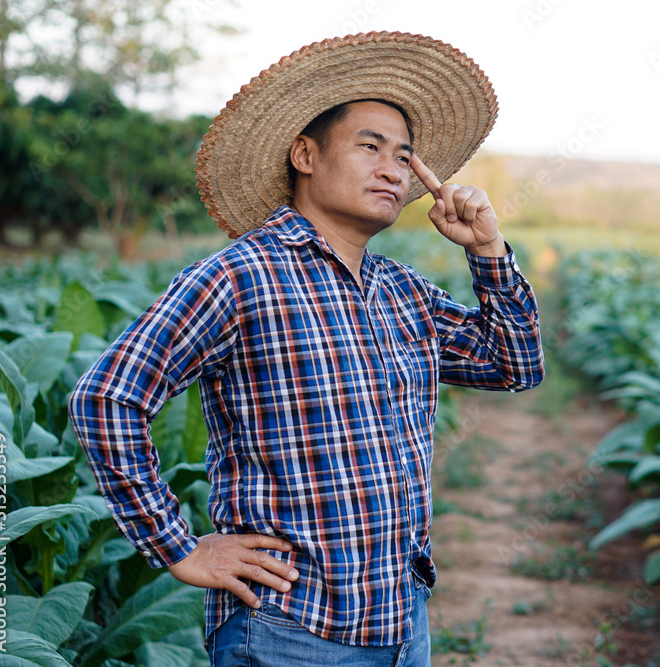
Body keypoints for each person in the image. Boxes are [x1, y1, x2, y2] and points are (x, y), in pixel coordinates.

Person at [67, 31, 543, 666]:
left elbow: (514, 366)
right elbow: (108, 398)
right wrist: (179, 548)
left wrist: (486, 250)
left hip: (403, 623)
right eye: (370, 146)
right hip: (289, 632)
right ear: (305, 155)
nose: (393, 169)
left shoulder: (402, 290)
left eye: (404, 157)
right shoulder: (241, 276)